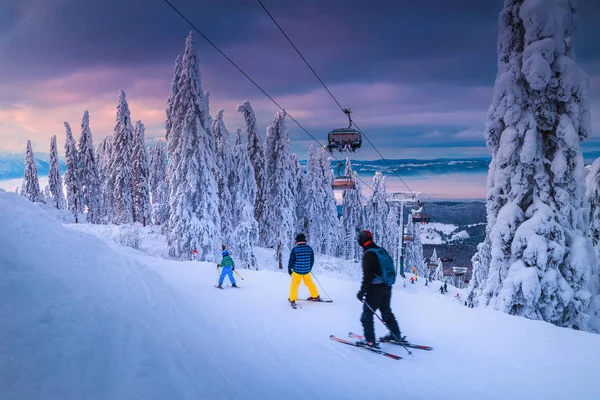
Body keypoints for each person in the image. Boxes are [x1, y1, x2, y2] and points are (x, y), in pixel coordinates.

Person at [356, 230, 403, 348]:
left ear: (362, 240)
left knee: (367, 314)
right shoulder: (380, 250)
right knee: (386, 312)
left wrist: (362, 291)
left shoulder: (369, 254)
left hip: (375, 288)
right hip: (387, 287)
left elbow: (368, 276)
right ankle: (395, 334)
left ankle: (370, 341)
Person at [288, 233, 320, 306]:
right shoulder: (309, 248)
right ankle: (315, 296)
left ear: (297, 240)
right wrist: (309, 268)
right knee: (310, 283)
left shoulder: (295, 249)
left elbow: (291, 260)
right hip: (306, 271)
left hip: (297, 271)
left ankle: (292, 299)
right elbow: (312, 260)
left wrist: (289, 269)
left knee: (294, 285)